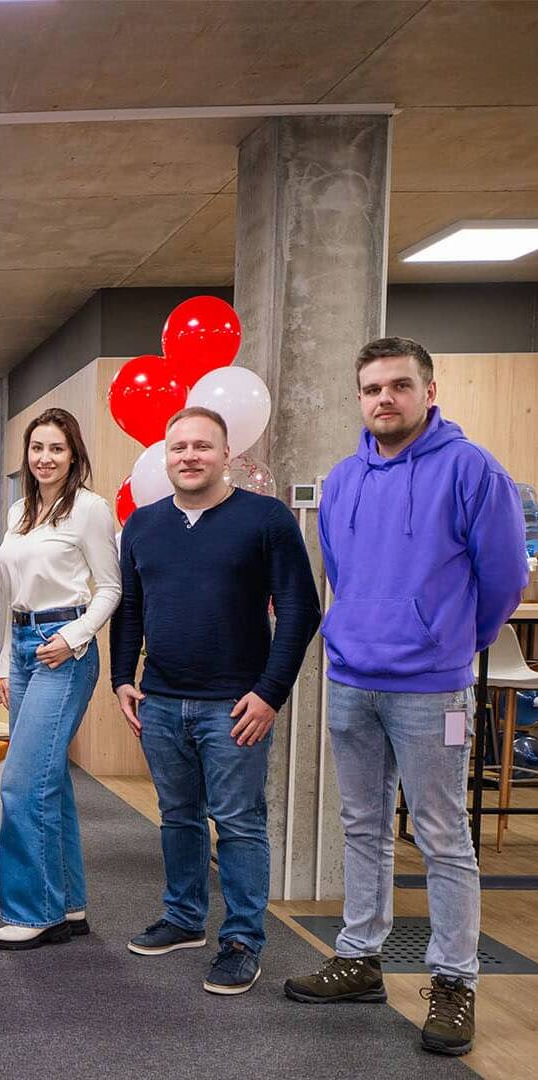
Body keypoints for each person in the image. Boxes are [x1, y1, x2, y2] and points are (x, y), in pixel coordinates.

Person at [284, 337, 527, 1056]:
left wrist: (451, 644)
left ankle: (455, 982)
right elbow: (339, 570)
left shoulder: (473, 470)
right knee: (361, 827)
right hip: (352, 679)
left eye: (397, 385)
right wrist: (351, 635)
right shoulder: (345, 478)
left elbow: (505, 580)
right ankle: (361, 957)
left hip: (434, 691)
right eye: (371, 389)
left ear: (428, 390)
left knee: (443, 839)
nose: (383, 399)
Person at [111, 406, 320, 996]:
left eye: (203, 446)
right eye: (179, 448)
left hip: (235, 705)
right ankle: (183, 919)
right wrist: (122, 676)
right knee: (177, 816)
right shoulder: (144, 526)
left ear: (228, 455)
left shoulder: (266, 520)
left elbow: (302, 611)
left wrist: (269, 693)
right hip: (161, 700)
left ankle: (242, 940)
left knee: (238, 823)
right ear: (165, 456)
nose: (190, 457)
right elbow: (131, 608)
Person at [0, 408, 121, 949]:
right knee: (51, 782)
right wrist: (3, 661)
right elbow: (13, 595)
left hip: (63, 651)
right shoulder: (20, 510)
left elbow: (111, 588)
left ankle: (34, 910)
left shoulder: (90, 509)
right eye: (37, 448)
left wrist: (76, 636)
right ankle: (68, 905)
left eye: (57, 449)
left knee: (21, 784)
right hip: (22, 647)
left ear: (74, 456)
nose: (45, 458)